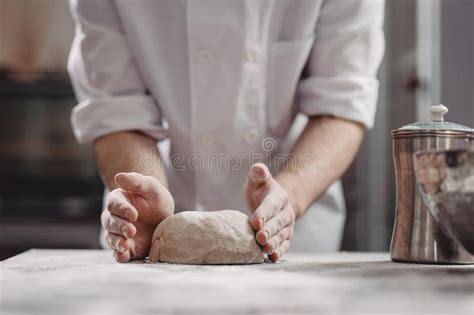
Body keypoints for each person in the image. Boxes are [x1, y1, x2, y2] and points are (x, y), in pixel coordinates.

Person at [68, 0, 385, 263]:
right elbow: (118, 110)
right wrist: (143, 206)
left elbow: (340, 103)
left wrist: (288, 198)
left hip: (291, 229)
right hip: (152, 224)